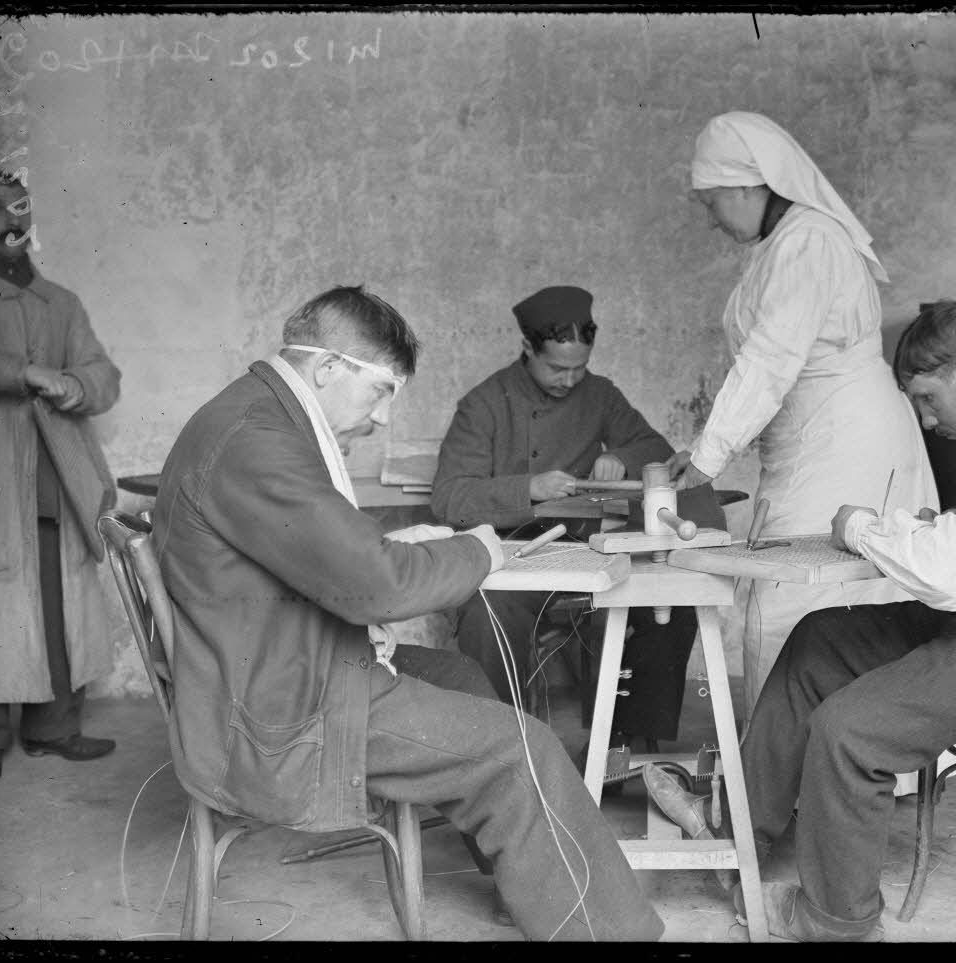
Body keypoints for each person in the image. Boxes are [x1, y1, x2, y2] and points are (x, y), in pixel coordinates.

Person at [151, 285, 662, 941]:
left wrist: (406, 550)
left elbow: (339, 558)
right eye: (381, 390)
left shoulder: (254, 416)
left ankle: (535, 882)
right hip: (287, 709)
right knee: (523, 748)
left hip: (273, 669)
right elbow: (379, 588)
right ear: (327, 367)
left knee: (461, 676)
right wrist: (478, 549)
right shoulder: (259, 442)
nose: (385, 416)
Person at [643, 301, 956, 941]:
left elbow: (953, 574)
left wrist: (861, 527)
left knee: (852, 730)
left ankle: (835, 922)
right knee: (821, 639)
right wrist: (914, 532)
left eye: (929, 398)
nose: (926, 418)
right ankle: (736, 824)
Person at [665, 111, 938, 712]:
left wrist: (709, 459)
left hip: (847, 442)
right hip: (814, 438)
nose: (711, 218)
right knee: (789, 598)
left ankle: (820, 769)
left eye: (712, 202)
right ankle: (789, 769)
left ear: (746, 185)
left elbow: (770, 358)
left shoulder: (810, 241)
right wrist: (709, 450)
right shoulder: (782, 245)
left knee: (801, 600)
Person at [432, 285, 724, 752]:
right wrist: (529, 487)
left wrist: (623, 458)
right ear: (527, 348)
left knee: (666, 601)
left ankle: (624, 748)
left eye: (579, 368)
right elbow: (448, 496)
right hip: (510, 558)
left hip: (586, 553)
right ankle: (506, 751)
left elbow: (656, 451)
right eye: (556, 368)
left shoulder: (599, 395)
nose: (570, 380)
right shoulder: (484, 403)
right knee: (487, 616)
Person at [0, 170, 121, 781]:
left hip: (57, 479)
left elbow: (104, 376)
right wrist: (25, 373)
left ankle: (54, 728)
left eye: (21, 209)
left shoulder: (62, 303)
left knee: (58, 603)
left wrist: (76, 384)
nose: (14, 221)